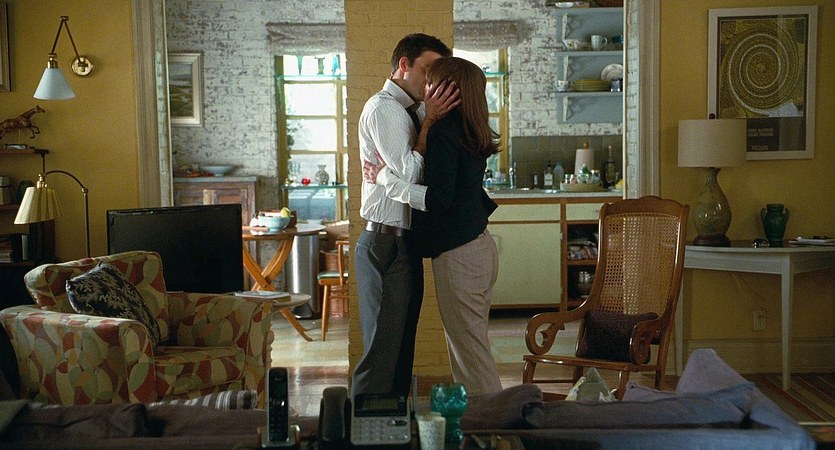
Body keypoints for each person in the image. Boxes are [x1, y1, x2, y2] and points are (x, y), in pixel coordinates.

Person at [364, 56, 503, 395]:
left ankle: (495, 420)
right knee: (473, 348)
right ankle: (487, 418)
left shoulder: (444, 132)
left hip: (460, 256)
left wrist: (383, 178)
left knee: (470, 355)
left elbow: (438, 199)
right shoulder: (471, 126)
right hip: (480, 247)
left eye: (431, 82)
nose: (425, 90)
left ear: (446, 90)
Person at [353, 33, 459, 398]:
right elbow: (411, 174)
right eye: (427, 70)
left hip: (403, 243)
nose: (432, 80)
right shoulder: (384, 109)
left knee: (399, 353)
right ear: (404, 65)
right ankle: (361, 425)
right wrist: (428, 124)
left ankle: (394, 425)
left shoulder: (411, 111)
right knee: (381, 356)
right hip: (385, 242)